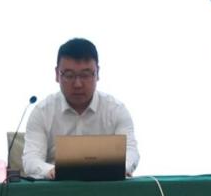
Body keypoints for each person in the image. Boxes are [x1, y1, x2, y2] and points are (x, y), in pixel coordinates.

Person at [22, 37, 139, 180]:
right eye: (69, 75)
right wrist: (51, 170)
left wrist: (121, 168)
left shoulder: (116, 110)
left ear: (98, 73)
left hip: (105, 186)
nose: (78, 84)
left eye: (85, 75)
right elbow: (31, 159)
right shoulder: (42, 112)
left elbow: (131, 152)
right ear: (57, 74)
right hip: (56, 187)